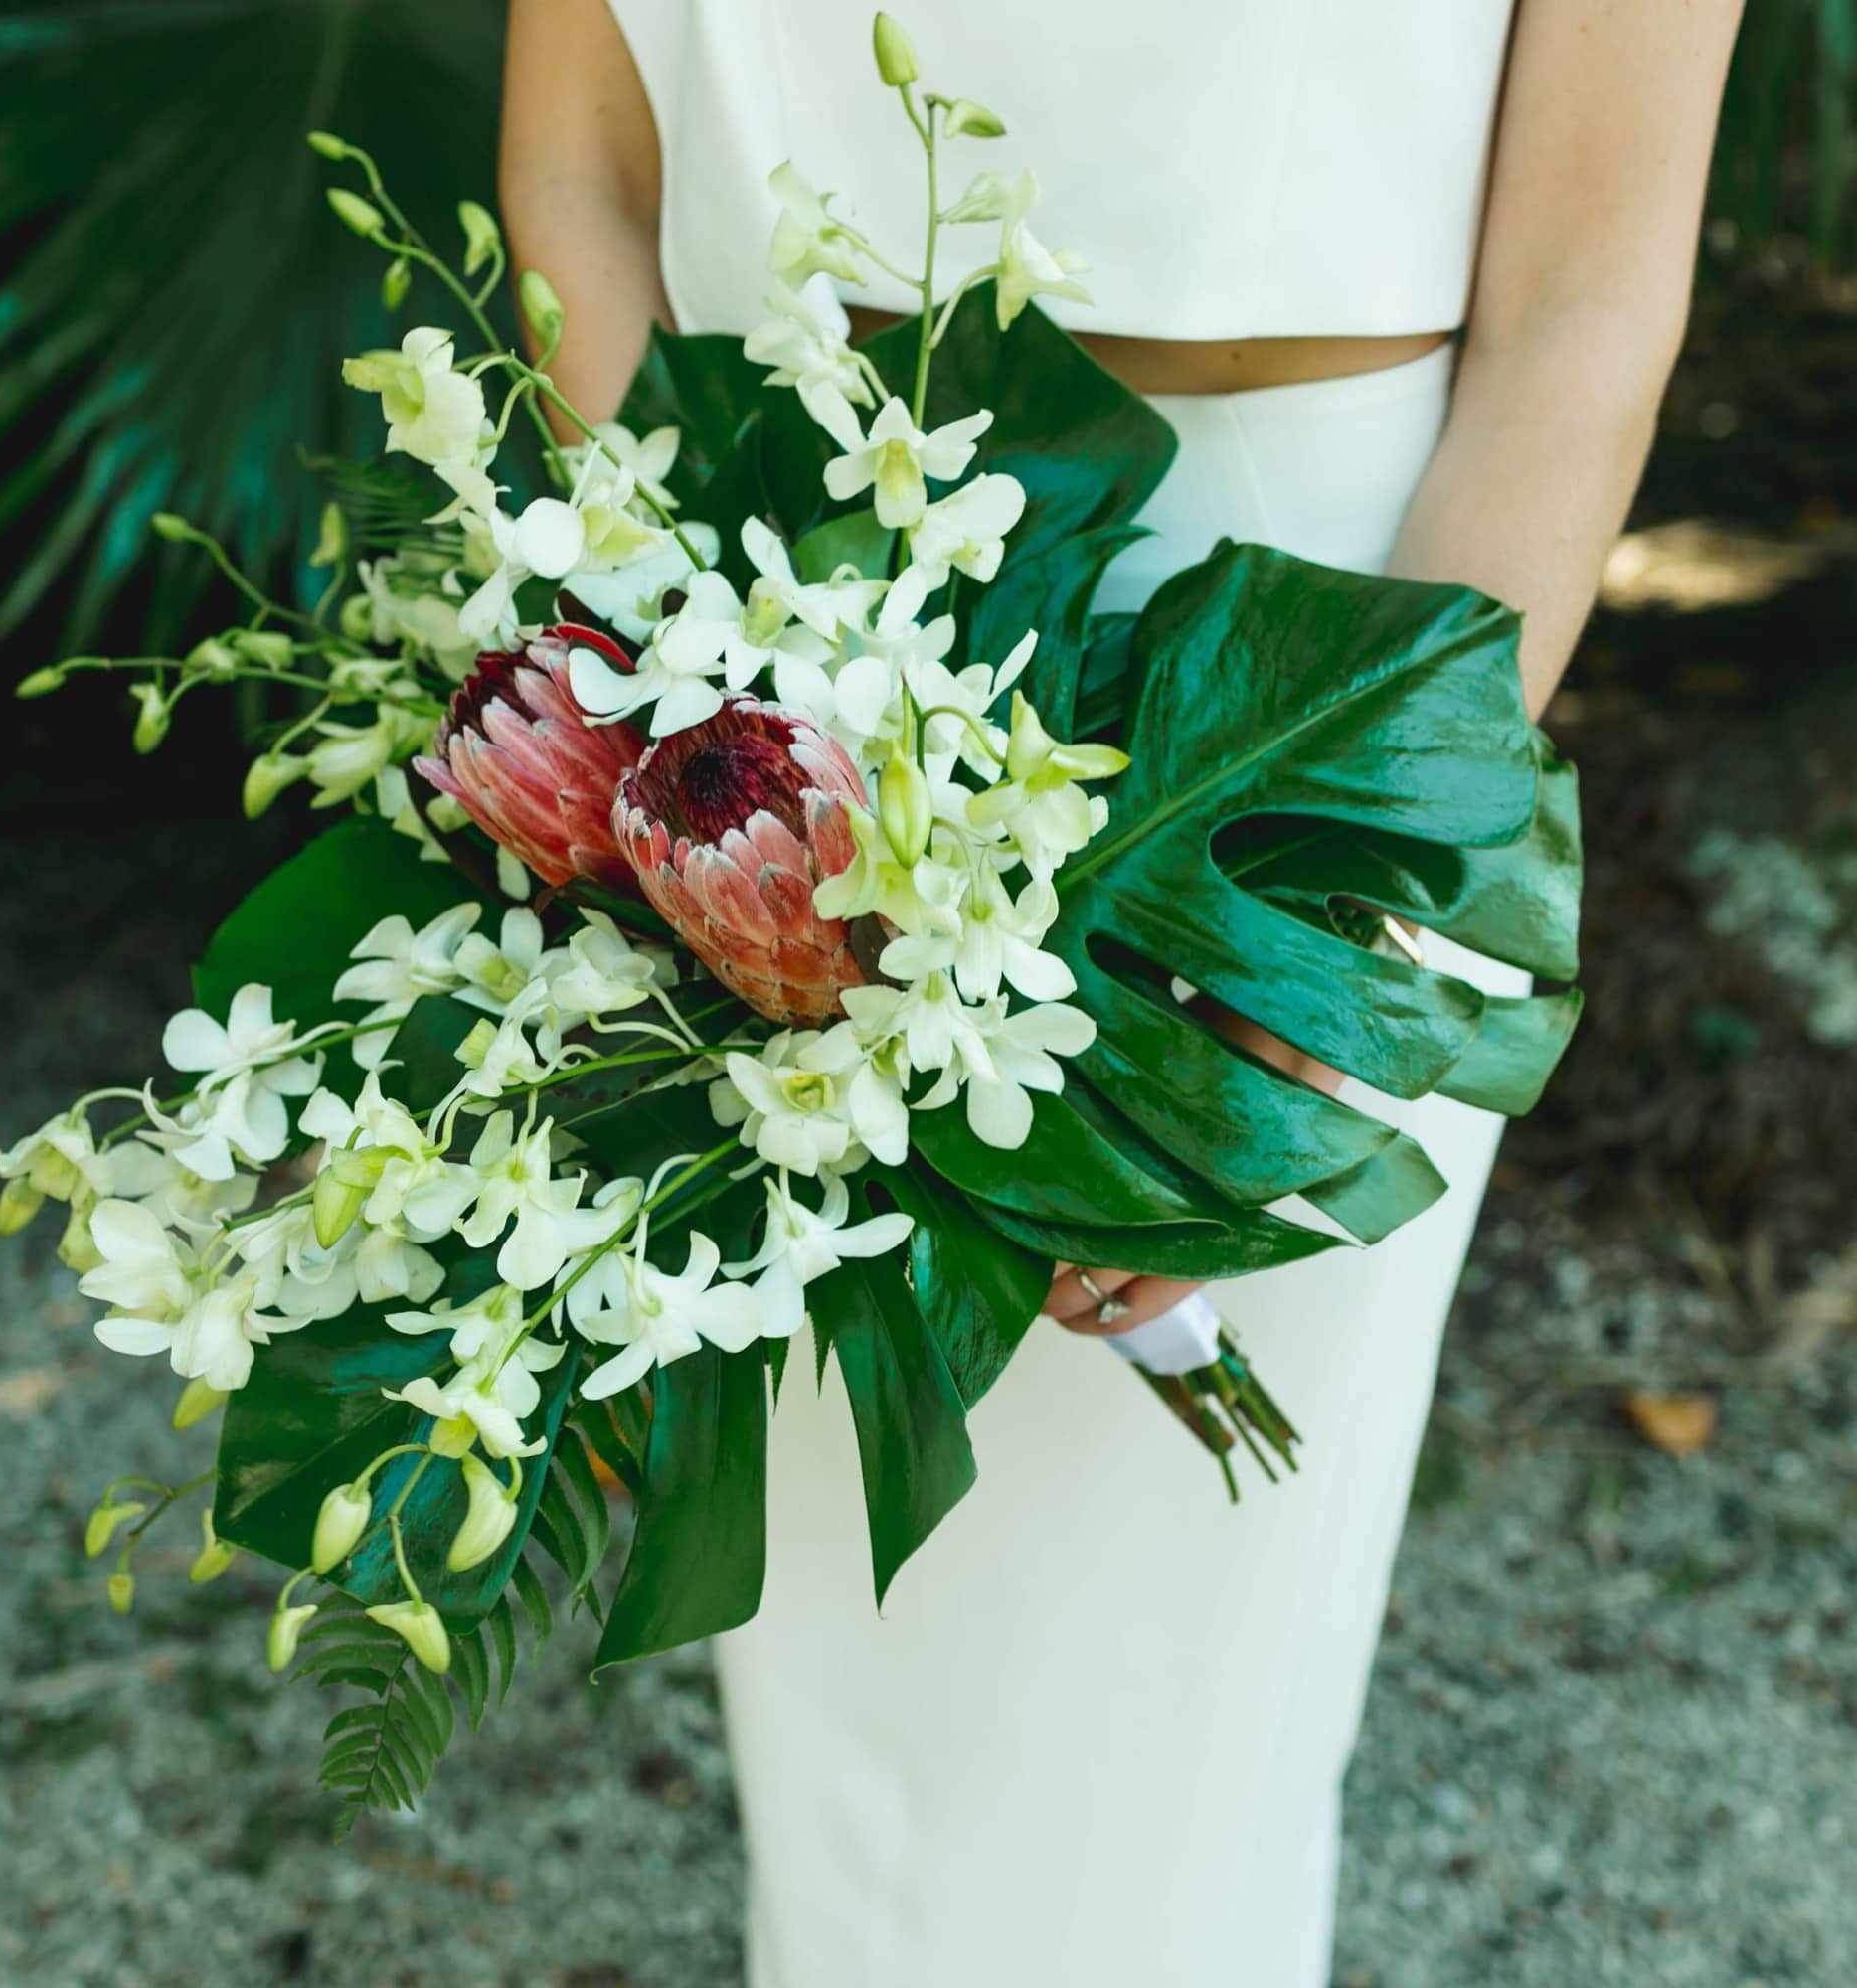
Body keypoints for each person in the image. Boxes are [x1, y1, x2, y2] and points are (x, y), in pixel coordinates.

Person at [499, 2, 1745, 1980]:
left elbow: (1585, 306)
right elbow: (579, 172)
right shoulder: (716, 692)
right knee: (850, 1698)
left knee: (1181, 1717)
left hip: (1311, 671)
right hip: (753, 617)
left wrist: (1309, 944)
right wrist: (686, 714)